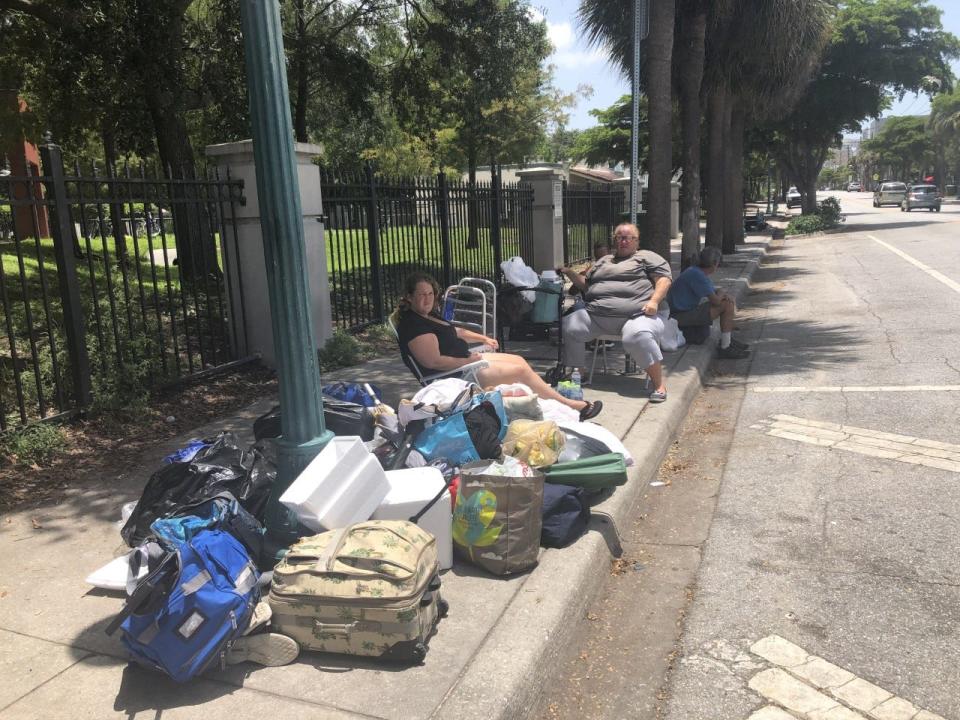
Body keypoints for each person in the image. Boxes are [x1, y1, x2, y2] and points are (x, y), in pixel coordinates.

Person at [395, 272, 603, 421]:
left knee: (519, 360)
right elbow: (433, 362)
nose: (427, 299)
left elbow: (454, 331)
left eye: (430, 294)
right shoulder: (413, 325)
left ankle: (551, 398)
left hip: (465, 362)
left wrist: (482, 339)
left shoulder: (427, 316)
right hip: (455, 375)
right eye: (421, 295)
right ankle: (571, 406)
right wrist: (467, 360)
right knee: (520, 371)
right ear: (410, 297)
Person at [558, 223, 672, 403]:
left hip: (637, 316)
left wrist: (654, 301)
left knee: (638, 336)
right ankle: (578, 373)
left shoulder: (647, 257)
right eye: (620, 237)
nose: (624, 241)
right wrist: (570, 273)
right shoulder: (603, 261)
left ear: (637, 241)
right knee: (571, 324)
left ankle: (658, 384)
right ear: (614, 240)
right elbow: (586, 286)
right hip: (597, 316)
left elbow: (663, 280)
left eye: (628, 237)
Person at [667, 246, 749, 359]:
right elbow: (715, 301)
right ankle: (726, 346)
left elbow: (712, 291)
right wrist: (722, 293)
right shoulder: (697, 275)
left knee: (726, 302)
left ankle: (727, 339)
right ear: (714, 263)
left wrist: (721, 293)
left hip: (682, 312)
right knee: (726, 304)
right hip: (677, 316)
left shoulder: (695, 271)